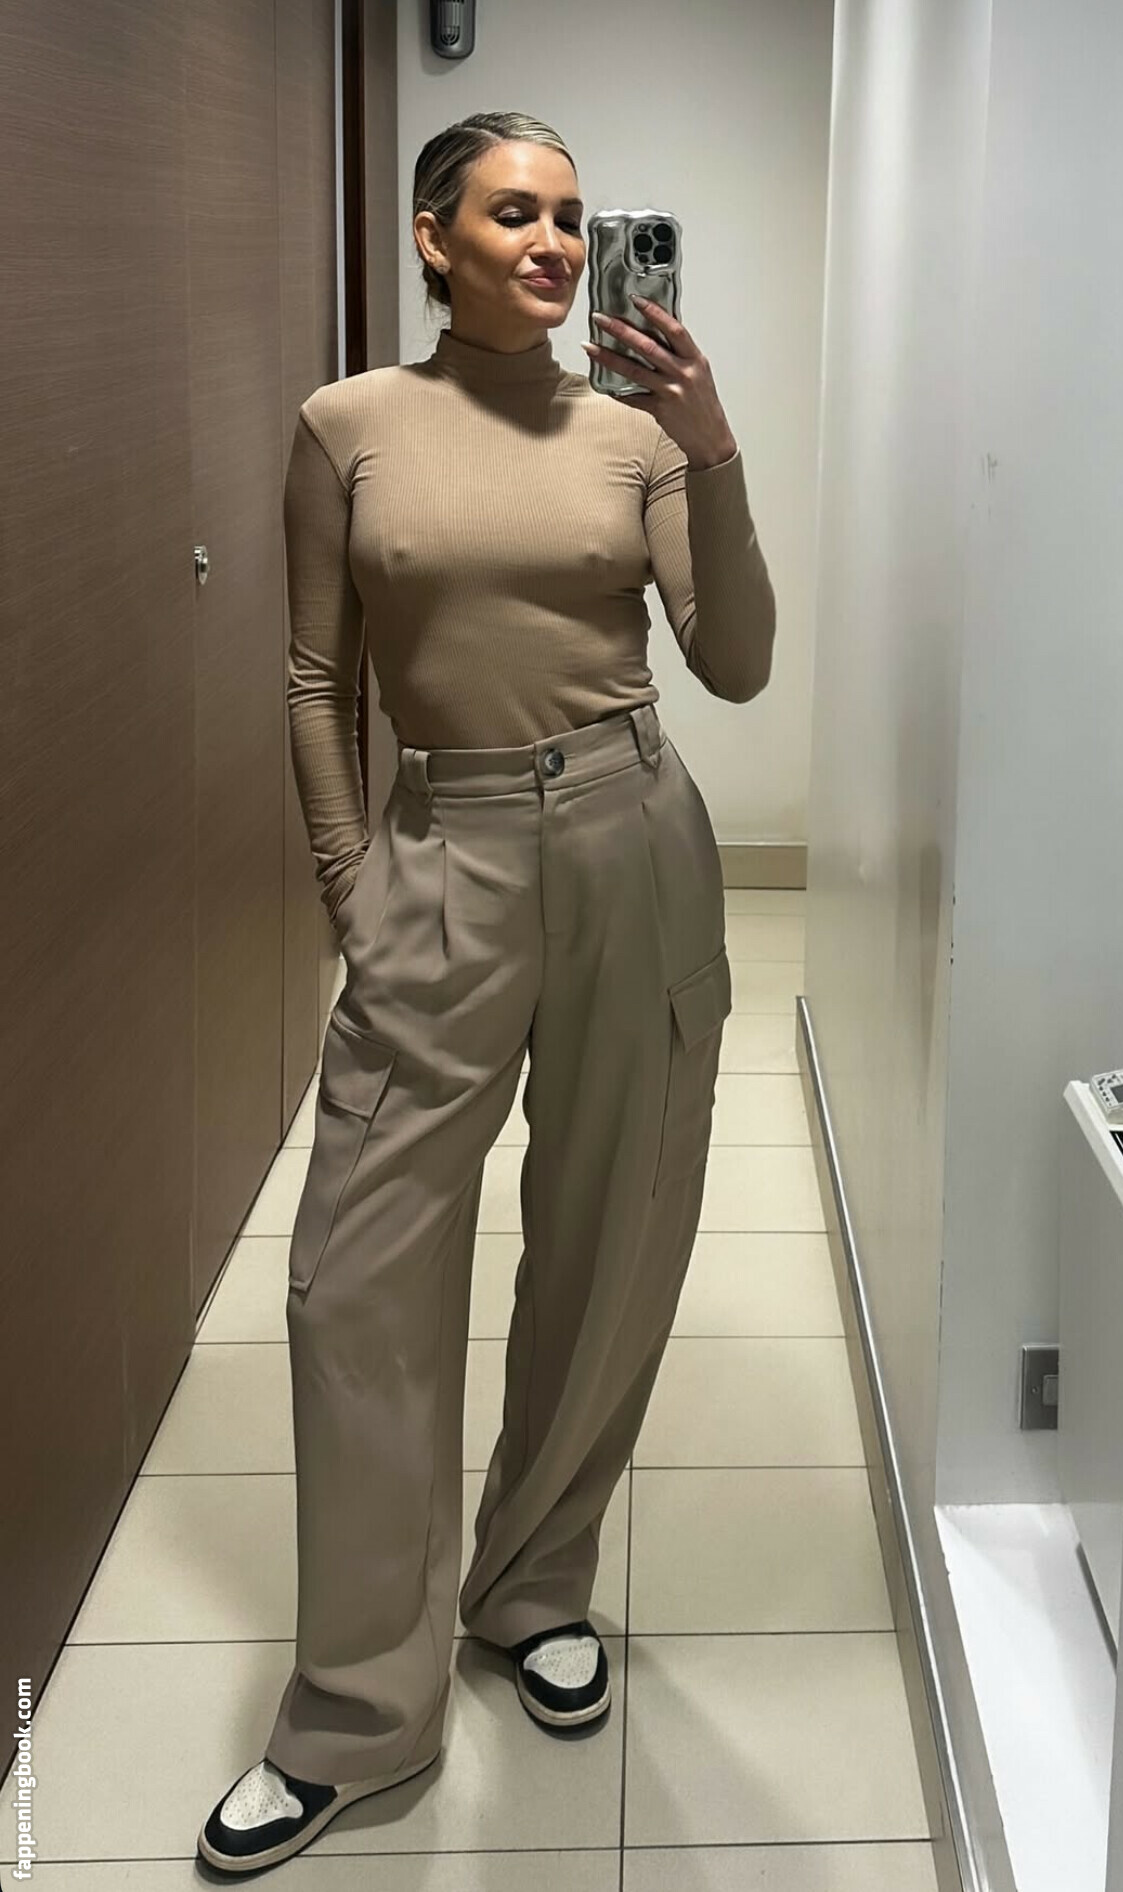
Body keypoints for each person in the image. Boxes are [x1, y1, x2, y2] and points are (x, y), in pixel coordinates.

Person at [197, 109, 775, 1875]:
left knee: (612, 1235)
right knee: (353, 1277)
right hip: (438, 858)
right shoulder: (348, 427)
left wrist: (712, 449)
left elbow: (737, 663)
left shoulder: (634, 433)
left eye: (573, 218)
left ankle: (530, 1590)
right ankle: (357, 1710)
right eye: (514, 212)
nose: (553, 243)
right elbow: (316, 679)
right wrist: (349, 888)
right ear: (431, 234)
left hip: (630, 839)